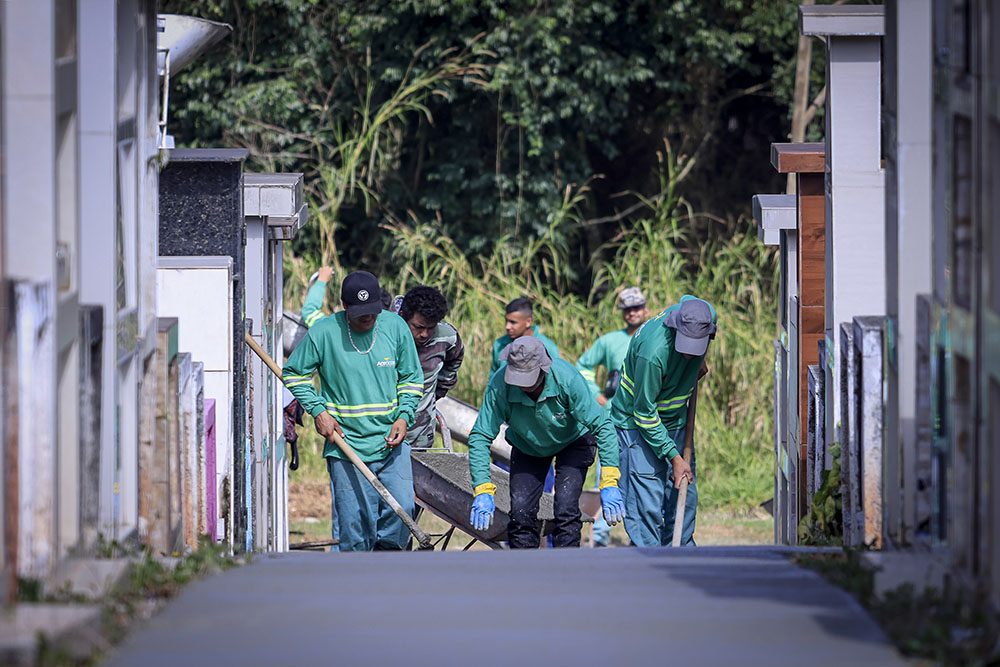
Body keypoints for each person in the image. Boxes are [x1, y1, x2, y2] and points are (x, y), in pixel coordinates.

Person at [283, 270, 423, 551]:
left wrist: (404, 415)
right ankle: (358, 584)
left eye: (372, 312)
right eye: (360, 313)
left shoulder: (395, 328)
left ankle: (388, 575)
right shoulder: (324, 332)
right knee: (356, 527)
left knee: (402, 512)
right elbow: (294, 374)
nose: (368, 318)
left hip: (390, 444)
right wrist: (318, 411)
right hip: (346, 447)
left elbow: (411, 378)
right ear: (345, 306)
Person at [467, 337, 626, 548]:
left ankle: (566, 571)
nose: (522, 385)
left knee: (566, 510)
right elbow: (480, 435)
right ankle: (525, 572)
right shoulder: (500, 385)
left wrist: (610, 481)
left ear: (543, 369)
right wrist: (482, 488)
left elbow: (603, 427)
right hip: (528, 445)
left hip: (574, 440)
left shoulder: (567, 380)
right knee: (521, 513)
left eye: (527, 379)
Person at [610, 295, 716, 547]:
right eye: (685, 347)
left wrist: (699, 362)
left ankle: (680, 556)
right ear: (675, 327)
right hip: (636, 424)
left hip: (676, 420)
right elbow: (644, 413)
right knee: (647, 503)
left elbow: (689, 298)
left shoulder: (706, 314)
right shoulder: (653, 353)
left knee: (683, 493)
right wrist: (674, 457)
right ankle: (649, 564)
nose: (689, 355)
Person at [576, 286, 650, 546]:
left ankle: (640, 535)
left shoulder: (653, 336)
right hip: (613, 420)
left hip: (647, 420)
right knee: (606, 475)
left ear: (646, 308)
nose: (632, 313)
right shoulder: (609, 341)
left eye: (637, 308)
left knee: (643, 477)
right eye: (627, 309)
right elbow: (583, 365)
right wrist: (597, 395)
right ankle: (600, 536)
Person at [395, 285, 465, 449]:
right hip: (384, 433)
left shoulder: (446, 337)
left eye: (431, 328)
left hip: (419, 437)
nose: (425, 334)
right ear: (402, 316)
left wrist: (434, 393)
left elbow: (455, 359)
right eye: (418, 327)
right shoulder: (387, 335)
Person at [489, 297, 560, 375]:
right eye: (506, 321)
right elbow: (493, 378)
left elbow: (553, 379)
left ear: (528, 322)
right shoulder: (499, 344)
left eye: (513, 322)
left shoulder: (547, 347)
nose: (507, 326)